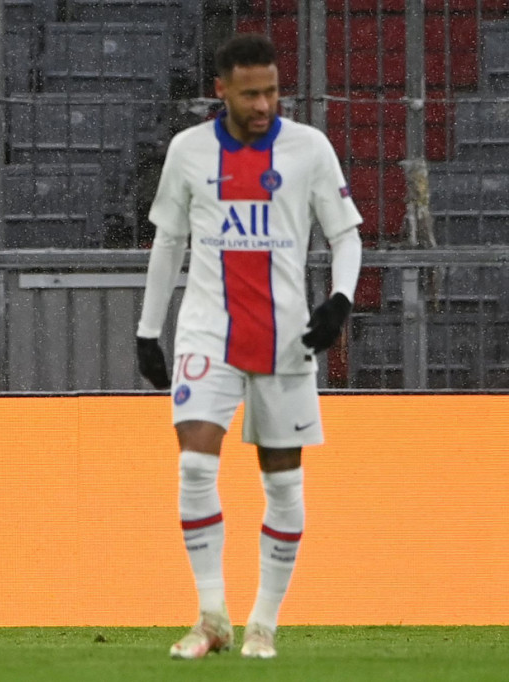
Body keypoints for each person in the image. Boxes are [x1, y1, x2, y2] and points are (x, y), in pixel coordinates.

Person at [135, 34, 362, 660]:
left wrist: (340, 300)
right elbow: (168, 243)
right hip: (209, 330)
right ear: (221, 89)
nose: (263, 104)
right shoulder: (188, 152)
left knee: (283, 485)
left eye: (271, 91)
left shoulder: (309, 148)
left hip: (287, 336)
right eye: (250, 92)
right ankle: (212, 616)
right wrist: (148, 329)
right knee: (194, 466)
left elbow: (346, 236)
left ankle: (263, 621)